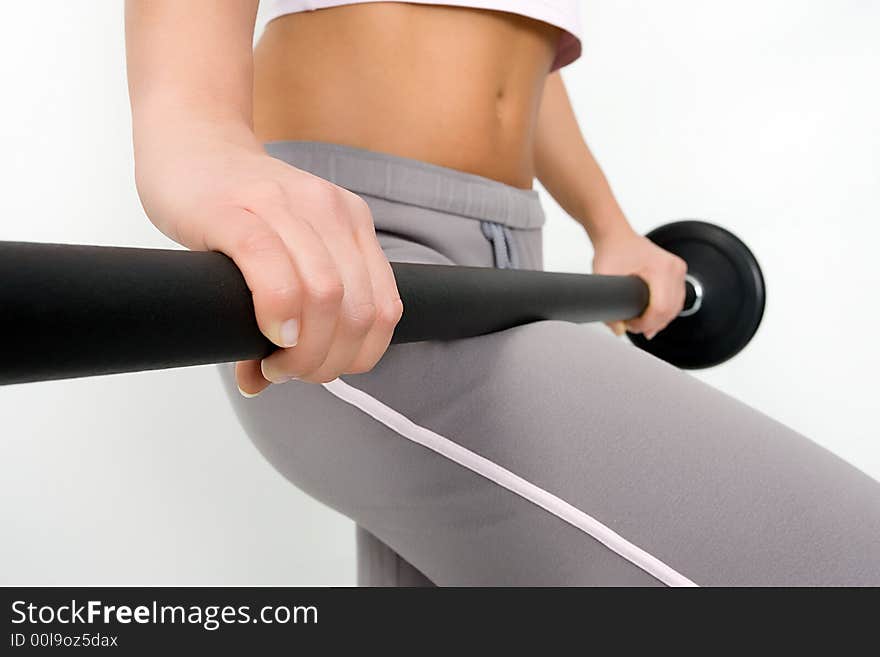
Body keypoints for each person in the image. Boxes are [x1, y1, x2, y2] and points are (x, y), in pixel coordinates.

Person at [125, 1, 880, 586]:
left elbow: (513, 53)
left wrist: (610, 226)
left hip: (514, 256)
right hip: (351, 256)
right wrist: (195, 133)